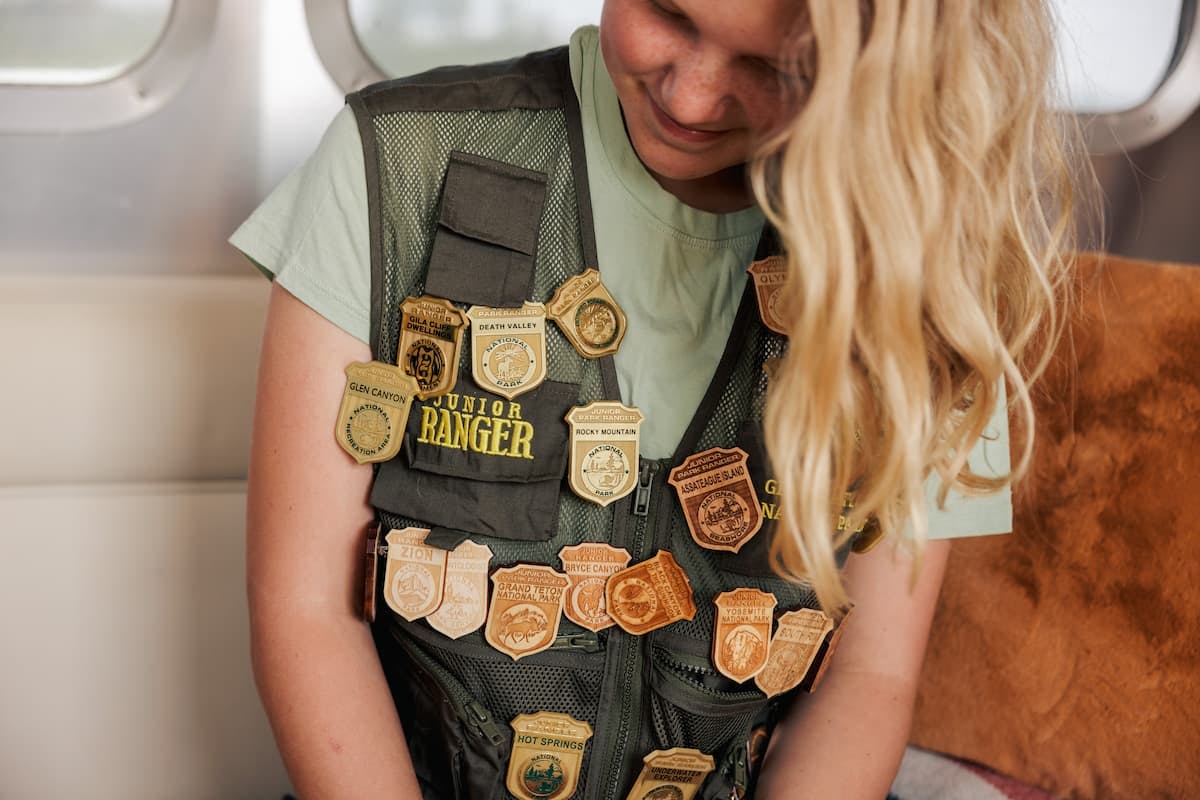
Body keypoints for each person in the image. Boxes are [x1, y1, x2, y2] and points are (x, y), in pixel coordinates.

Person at [232, 0, 1075, 797]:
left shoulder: (936, 274)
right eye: (669, 13)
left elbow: (872, 676)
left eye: (772, 63)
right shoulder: (394, 161)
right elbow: (308, 613)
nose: (694, 95)